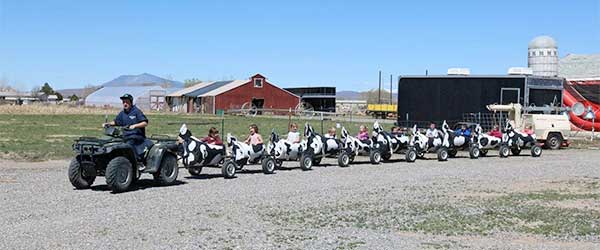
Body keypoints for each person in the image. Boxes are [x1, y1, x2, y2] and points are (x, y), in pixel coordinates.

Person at [102, 94, 149, 160]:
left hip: (136, 136)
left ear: (131, 102)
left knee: (129, 145)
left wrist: (135, 126)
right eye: (123, 102)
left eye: (127, 102)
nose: (125, 104)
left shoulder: (136, 111)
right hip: (125, 136)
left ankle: (138, 161)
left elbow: (145, 123)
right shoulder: (122, 113)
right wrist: (108, 124)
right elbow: (116, 122)